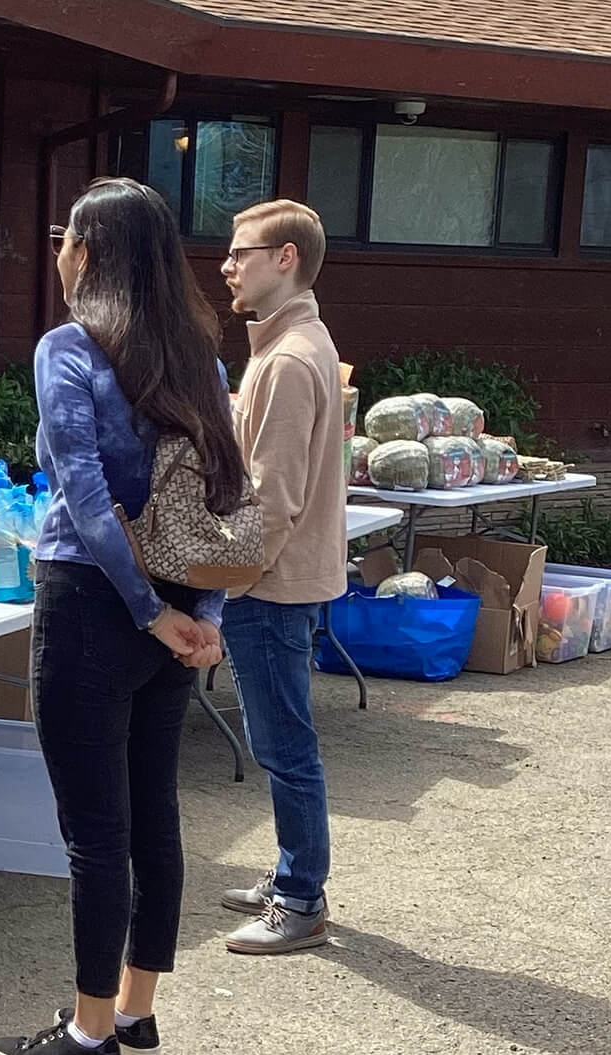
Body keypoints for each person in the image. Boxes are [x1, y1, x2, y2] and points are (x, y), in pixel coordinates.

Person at [0, 177, 244, 1055]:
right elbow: (226, 499)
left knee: (96, 832)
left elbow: (85, 495)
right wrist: (198, 617)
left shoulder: (69, 348)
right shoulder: (202, 360)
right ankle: (134, 1017)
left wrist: (143, 607)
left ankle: (89, 1037)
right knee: (152, 818)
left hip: (99, 604)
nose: (57, 253)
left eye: (64, 240)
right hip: (176, 611)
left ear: (88, 254)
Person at [212, 199, 347, 953]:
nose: (228, 266)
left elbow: (273, 497)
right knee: (282, 740)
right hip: (276, 580)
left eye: (242, 253)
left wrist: (227, 579)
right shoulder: (289, 345)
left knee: (284, 744)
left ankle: (300, 899)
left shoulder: (290, 358)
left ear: (286, 258)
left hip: (269, 584)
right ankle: (293, 875)